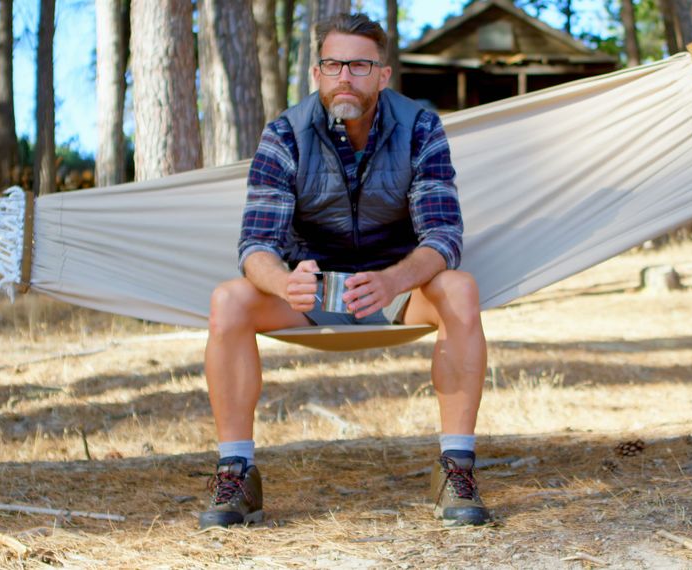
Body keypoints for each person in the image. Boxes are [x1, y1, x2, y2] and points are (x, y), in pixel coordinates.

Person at [198, 12, 489, 529]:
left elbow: (443, 236)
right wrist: (283, 281)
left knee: (461, 290)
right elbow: (256, 245)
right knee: (228, 300)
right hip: (312, 291)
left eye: (359, 65)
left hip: (398, 285)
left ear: (383, 74)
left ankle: (455, 469)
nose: (344, 77)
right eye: (332, 65)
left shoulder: (421, 127)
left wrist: (394, 280)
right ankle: (237, 473)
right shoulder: (284, 134)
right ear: (317, 75)